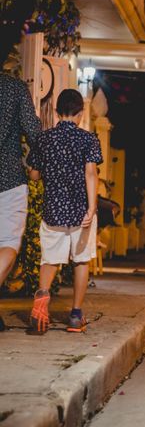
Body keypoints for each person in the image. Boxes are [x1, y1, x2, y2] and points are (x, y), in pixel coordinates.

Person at [26, 89, 103, 334]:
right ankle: (75, 316)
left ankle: (41, 304)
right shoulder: (88, 139)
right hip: (81, 212)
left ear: (57, 112)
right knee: (80, 261)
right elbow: (90, 173)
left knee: (50, 260)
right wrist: (91, 208)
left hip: (53, 211)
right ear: (80, 113)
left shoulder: (44, 139)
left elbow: (34, 175)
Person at [0, 73, 41, 331]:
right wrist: (35, 166)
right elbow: (34, 131)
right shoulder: (14, 87)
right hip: (9, 179)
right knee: (9, 244)